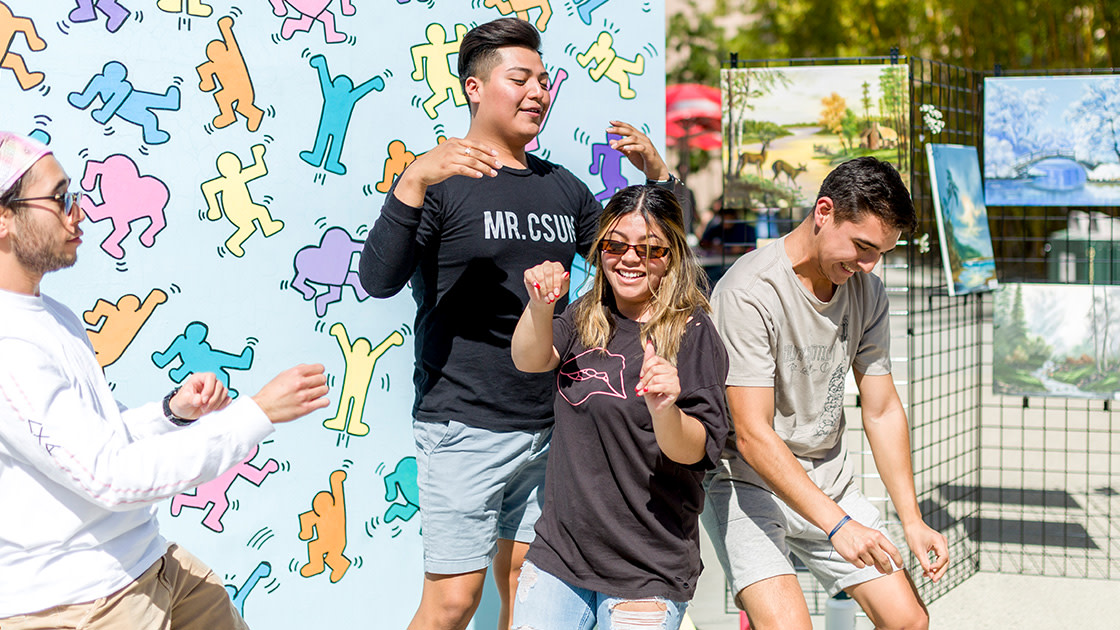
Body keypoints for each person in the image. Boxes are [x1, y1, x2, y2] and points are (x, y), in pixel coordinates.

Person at [358, 17, 674, 630]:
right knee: (452, 603)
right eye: (520, 78)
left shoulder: (563, 188)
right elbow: (378, 280)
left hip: (554, 428)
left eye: (544, 80)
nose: (538, 92)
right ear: (474, 88)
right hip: (464, 426)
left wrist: (657, 180)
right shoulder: (441, 183)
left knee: (527, 597)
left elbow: (645, 264)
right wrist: (414, 179)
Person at [0, 131, 331, 629]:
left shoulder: (51, 314)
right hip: (84, 603)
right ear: (4, 218)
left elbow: (90, 444)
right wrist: (256, 413)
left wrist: (169, 413)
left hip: (145, 564)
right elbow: (109, 477)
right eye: (60, 198)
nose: (78, 212)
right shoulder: (11, 349)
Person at [701, 157, 949, 630]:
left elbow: (881, 409)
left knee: (909, 621)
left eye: (880, 253)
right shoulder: (748, 292)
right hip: (748, 482)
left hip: (829, 480)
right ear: (823, 211)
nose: (868, 265)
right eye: (861, 247)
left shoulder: (868, 291)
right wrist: (837, 526)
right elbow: (752, 435)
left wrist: (912, 519)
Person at [508, 185, 728, 630]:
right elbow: (529, 359)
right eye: (615, 245)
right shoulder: (587, 313)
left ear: (673, 257)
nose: (630, 259)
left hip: (647, 569)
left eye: (651, 250)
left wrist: (666, 409)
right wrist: (538, 307)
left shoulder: (693, 331)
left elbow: (695, 450)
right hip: (561, 556)